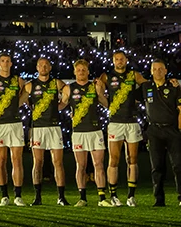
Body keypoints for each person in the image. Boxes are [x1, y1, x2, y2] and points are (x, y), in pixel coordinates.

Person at [99, 51, 147, 207]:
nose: (119, 61)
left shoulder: (134, 75)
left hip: (132, 122)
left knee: (132, 159)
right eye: (116, 59)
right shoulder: (106, 76)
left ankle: (131, 196)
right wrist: (108, 105)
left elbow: (148, 85)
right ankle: (113, 195)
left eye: (122, 59)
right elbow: (98, 93)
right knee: (114, 159)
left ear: (126, 60)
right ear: (113, 61)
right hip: (115, 122)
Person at [63, 59, 110, 207]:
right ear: (74, 72)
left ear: (88, 72)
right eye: (78, 70)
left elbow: (106, 103)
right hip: (78, 132)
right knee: (81, 165)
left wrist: (101, 92)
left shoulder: (94, 86)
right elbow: (60, 106)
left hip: (95, 130)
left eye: (84, 70)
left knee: (98, 164)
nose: (81, 72)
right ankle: (82, 198)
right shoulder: (69, 88)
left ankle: (102, 198)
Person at [25, 58, 69, 206]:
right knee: (38, 163)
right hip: (37, 128)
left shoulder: (56, 83)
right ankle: (37, 197)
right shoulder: (30, 85)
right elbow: (24, 100)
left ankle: (61, 197)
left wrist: (60, 105)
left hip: (54, 127)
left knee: (58, 162)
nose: (43, 67)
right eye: (41, 65)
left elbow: (67, 94)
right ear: (37, 67)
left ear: (50, 67)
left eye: (46, 65)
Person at [0, 54, 27, 206]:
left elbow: (26, 93)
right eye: (2, 61)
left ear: (11, 63)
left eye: (8, 61)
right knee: (0, 160)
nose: (5, 63)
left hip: (15, 123)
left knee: (17, 160)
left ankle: (17, 195)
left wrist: (19, 104)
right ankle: (4, 195)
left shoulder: (18, 80)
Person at [144, 59, 181, 206]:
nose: (158, 71)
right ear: (151, 71)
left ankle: (180, 197)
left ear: (166, 71)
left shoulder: (174, 86)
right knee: (157, 167)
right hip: (154, 130)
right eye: (155, 69)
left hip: (172, 130)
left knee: (178, 165)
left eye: (161, 69)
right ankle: (158, 199)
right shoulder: (145, 86)